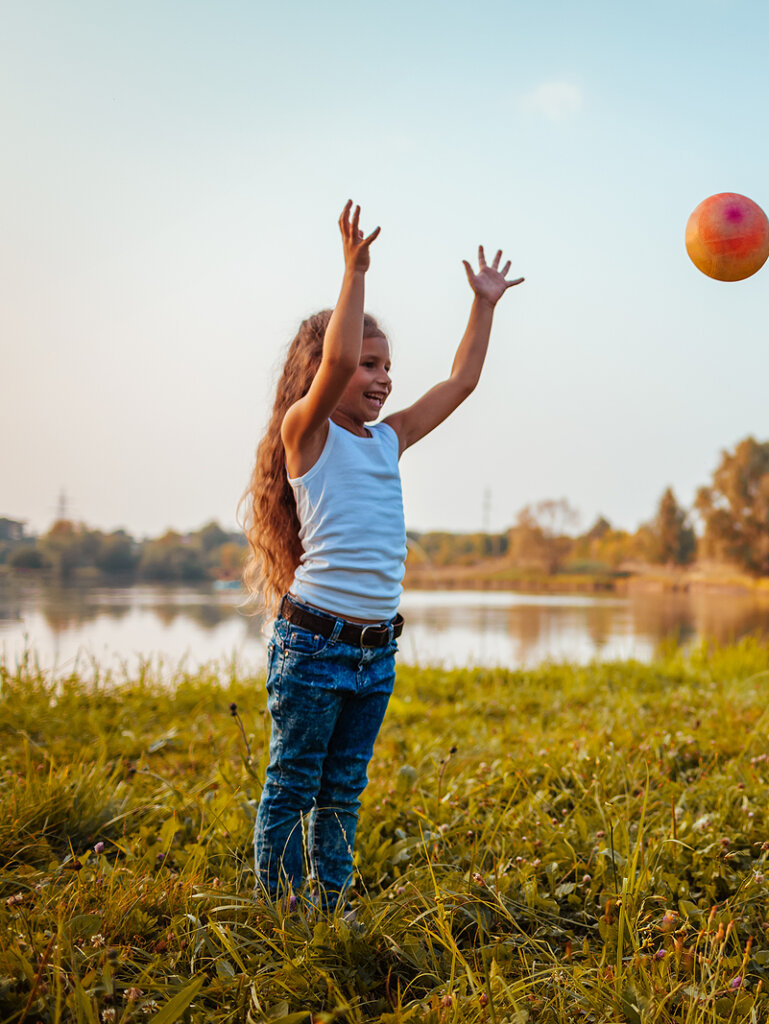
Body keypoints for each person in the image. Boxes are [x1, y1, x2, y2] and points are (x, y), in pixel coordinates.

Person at [241, 201, 523, 910]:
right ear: (327, 371)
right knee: (293, 785)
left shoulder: (388, 439)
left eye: (387, 366)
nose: (382, 377)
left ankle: (329, 910)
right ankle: (279, 914)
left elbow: (460, 383)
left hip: (374, 652)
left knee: (342, 790)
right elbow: (334, 358)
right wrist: (355, 272)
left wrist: (483, 306)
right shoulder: (306, 434)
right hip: (313, 643)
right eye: (369, 365)